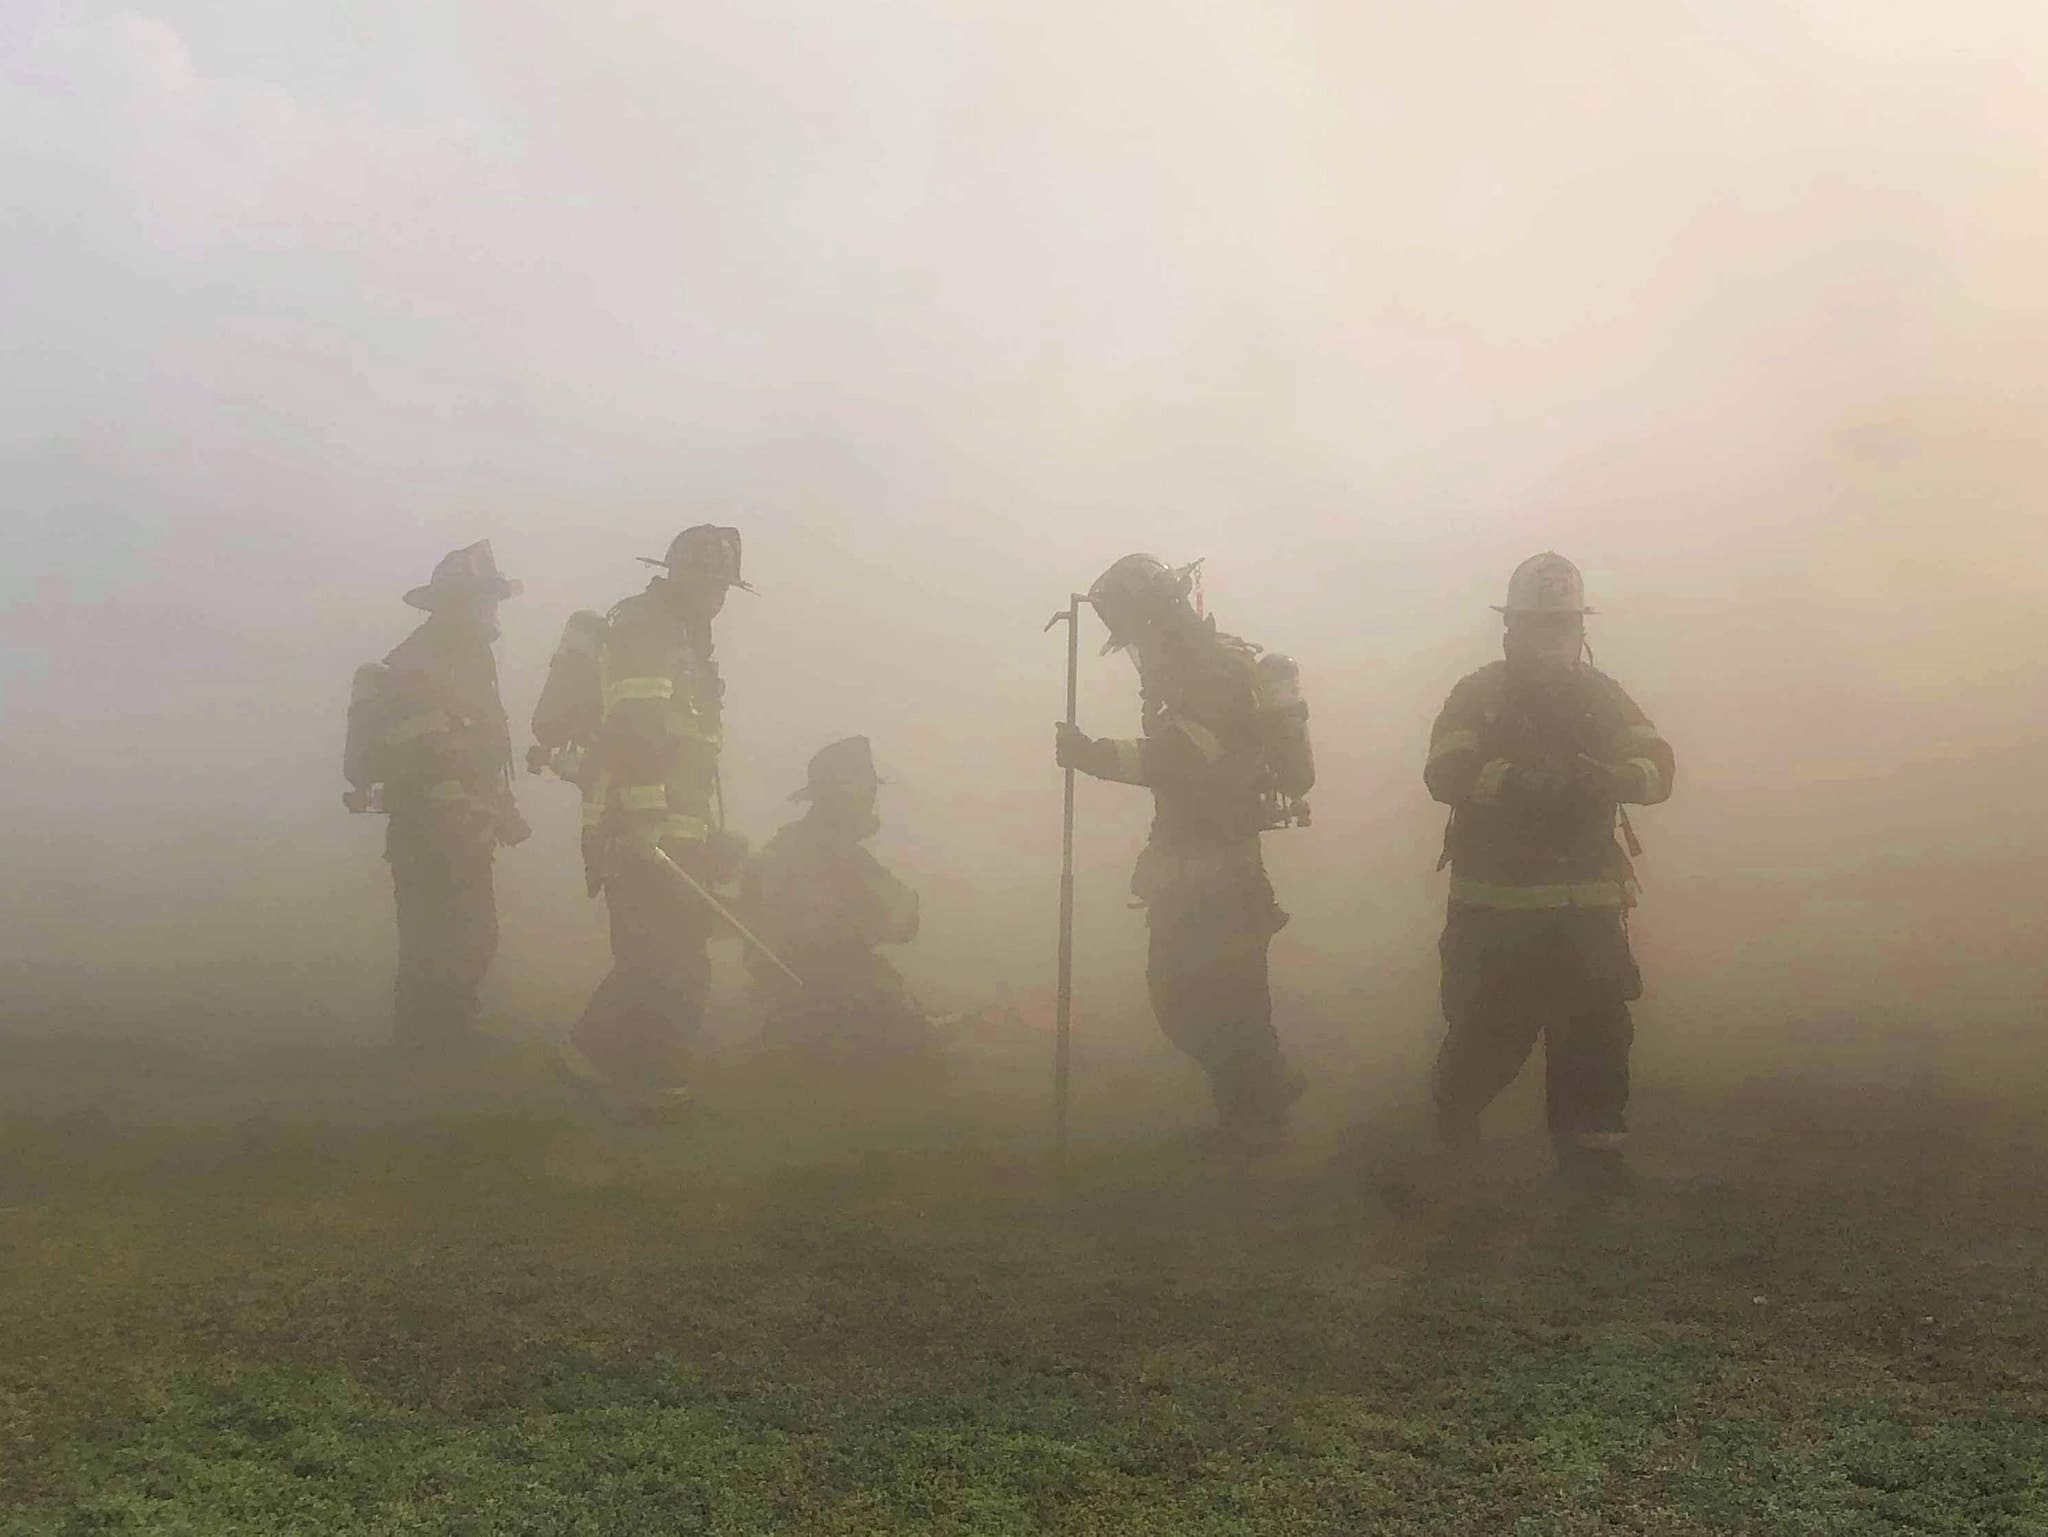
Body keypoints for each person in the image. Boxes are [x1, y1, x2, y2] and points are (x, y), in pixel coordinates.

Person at [1422, 552, 1676, 1191]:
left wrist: (1618, 778)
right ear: (1508, 630)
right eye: (1538, 627)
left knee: (1595, 1034)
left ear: (1580, 632)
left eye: (1562, 627)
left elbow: (1657, 765)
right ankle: (1450, 1133)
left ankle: (1593, 1168)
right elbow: (1444, 772)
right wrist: (1515, 784)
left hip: (1585, 911)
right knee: (1487, 1035)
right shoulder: (1476, 694)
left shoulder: (1602, 695)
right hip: (1494, 910)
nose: (1551, 640)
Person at [1053, 554, 1313, 1155]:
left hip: (1221, 870)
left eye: (1136, 634)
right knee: (1200, 1002)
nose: (1137, 651)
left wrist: (1093, 755)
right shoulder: (1183, 671)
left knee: (1213, 1002)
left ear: (1158, 619)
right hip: (1192, 861)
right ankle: (1254, 1110)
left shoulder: (1211, 672)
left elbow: (1183, 759)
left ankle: (1259, 1116)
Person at [532, 526, 751, 1117]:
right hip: (639, 829)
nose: (718, 596)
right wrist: (648, 820)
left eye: (724, 584)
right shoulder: (647, 627)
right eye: (709, 581)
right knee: (661, 958)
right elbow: (636, 725)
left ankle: (628, 1067)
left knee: (672, 954)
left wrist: (704, 829)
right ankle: (616, 1067)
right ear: (679, 574)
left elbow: (689, 746)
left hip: (673, 829)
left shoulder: (680, 636)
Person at [344, 540, 529, 1051]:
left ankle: (447, 1034)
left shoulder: (468, 661)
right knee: (436, 938)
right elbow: (425, 749)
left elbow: (480, 748)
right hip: (427, 828)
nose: (492, 611)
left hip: (466, 826)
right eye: (482, 599)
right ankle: (427, 1049)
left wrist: (500, 807)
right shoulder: (417, 661)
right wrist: (457, 807)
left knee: (470, 937)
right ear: (454, 605)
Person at [740, 736, 927, 1062]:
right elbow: (902, 925)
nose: (871, 801)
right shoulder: (841, 857)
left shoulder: (785, 845)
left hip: (785, 998)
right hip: (830, 996)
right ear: (846, 799)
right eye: (867, 793)